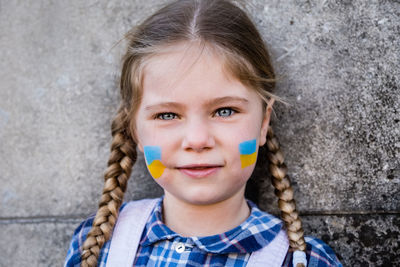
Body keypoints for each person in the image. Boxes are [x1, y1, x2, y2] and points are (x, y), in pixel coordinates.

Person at [64, 0, 342, 266]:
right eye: (167, 115)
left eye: (224, 111)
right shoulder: (97, 244)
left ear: (263, 123)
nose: (197, 140)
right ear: (135, 129)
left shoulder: (302, 261)